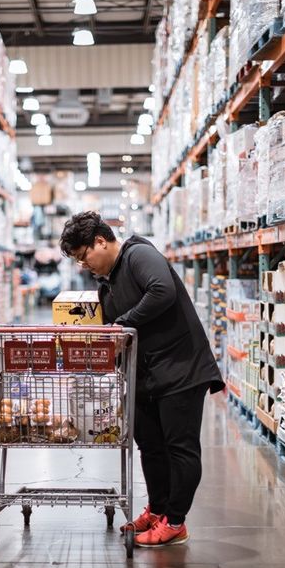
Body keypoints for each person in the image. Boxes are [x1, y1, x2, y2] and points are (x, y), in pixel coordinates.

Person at [59, 212, 224, 547]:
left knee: (180, 448)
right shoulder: (106, 282)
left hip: (181, 369)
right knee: (150, 445)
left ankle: (176, 521)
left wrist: (123, 324)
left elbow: (162, 291)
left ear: (101, 242)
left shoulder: (138, 255)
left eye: (83, 255)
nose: (83, 264)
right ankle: (158, 509)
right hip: (146, 375)